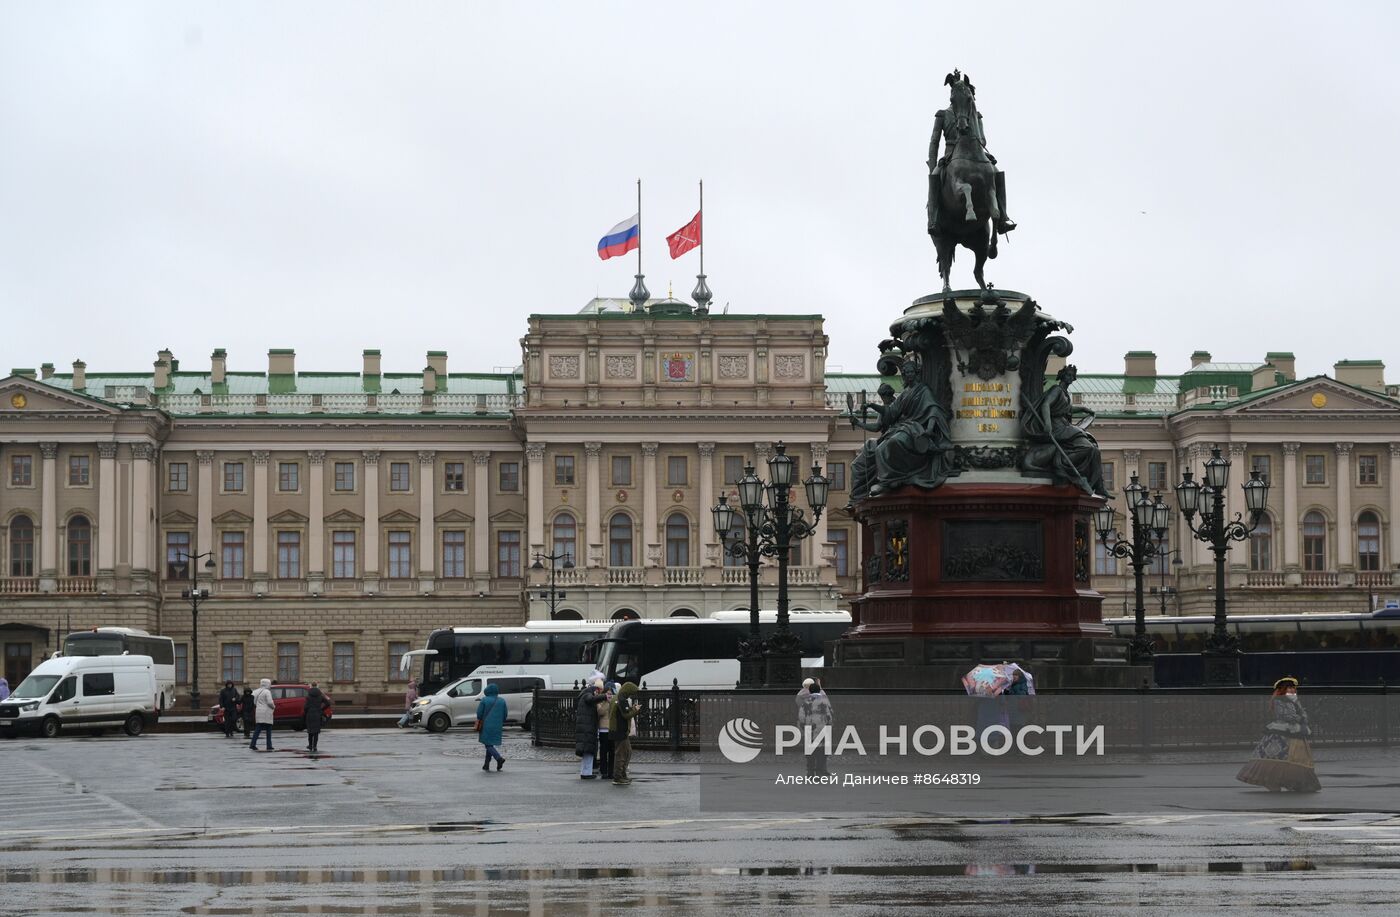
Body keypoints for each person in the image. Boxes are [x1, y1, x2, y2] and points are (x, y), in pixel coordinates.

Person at [868, 360, 954, 497]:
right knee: (879, 448)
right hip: (906, 427)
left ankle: (893, 478)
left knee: (894, 443)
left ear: (916, 373)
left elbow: (933, 410)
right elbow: (891, 413)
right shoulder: (905, 393)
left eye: (911, 372)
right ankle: (888, 480)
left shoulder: (923, 390)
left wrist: (929, 430)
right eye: (906, 372)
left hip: (918, 428)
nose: (908, 375)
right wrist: (872, 405)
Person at [1237, 677, 1321, 793]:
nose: (1292, 690)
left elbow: (1303, 716)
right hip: (1283, 730)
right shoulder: (1279, 700)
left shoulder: (1294, 700)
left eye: (1293, 688)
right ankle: (1273, 781)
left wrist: (1300, 716)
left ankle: (1292, 782)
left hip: (1296, 730)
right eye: (1289, 688)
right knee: (1279, 757)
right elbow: (1286, 716)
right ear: (1283, 689)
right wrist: (1300, 717)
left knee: (1298, 758)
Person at [796, 678, 834, 777]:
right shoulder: (824, 700)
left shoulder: (806, 701)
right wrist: (829, 724)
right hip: (822, 729)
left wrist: (803, 726)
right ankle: (820, 771)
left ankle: (810, 771)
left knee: (810, 751)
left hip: (810, 729)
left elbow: (801, 716)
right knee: (822, 751)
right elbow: (830, 714)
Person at [610, 681, 641, 786]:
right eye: (632, 693)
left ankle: (622, 775)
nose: (632, 695)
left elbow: (623, 713)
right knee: (621, 754)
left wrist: (631, 709)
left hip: (617, 730)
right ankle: (618, 777)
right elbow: (626, 715)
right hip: (620, 731)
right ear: (628, 691)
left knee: (627, 752)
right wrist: (635, 711)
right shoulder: (622, 700)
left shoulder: (616, 698)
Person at [575, 679, 606, 779]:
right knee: (588, 751)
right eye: (598, 692)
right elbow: (591, 699)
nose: (597, 694)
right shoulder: (588, 695)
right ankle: (586, 773)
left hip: (585, 728)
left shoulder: (584, 695)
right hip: (587, 728)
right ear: (596, 689)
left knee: (587, 752)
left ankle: (585, 772)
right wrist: (604, 697)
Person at [477, 683, 507, 771]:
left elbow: (479, 714)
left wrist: (480, 719)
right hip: (498, 725)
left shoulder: (484, 700)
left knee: (488, 744)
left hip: (486, 725)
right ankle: (486, 764)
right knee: (490, 744)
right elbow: (505, 714)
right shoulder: (502, 701)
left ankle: (499, 758)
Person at [303, 682, 331, 753]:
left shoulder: (308, 696)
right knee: (316, 732)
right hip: (318, 714)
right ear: (317, 687)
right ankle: (315, 746)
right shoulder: (320, 696)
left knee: (310, 731)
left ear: (311, 687)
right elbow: (328, 703)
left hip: (310, 714)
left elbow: (305, 707)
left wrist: (306, 712)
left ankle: (310, 745)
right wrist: (321, 709)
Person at [596, 683, 616, 780]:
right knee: (603, 752)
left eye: (610, 694)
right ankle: (604, 771)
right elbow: (600, 712)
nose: (609, 695)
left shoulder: (614, 702)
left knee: (612, 752)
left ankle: (611, 772)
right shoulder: (600, 702)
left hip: (611, 729)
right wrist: (606, 702)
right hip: (603, 729)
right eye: (607, 693)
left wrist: (611, 702)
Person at [249, 678, 275, 752]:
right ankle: (269, 745)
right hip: (267, 712)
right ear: (268, 684)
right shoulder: (267, 692)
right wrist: (274, 707)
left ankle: (252, 744)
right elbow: (270, 702)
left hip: (258, 711)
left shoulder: (255, 691)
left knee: (257, 730)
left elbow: (253, 702)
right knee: (268, 730)